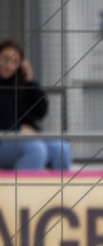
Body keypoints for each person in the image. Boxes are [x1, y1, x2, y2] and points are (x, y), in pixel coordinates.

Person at [0, 38, 71, 171]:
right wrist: (19, 128)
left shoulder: (22, 85)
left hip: (26, 138)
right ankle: (22, 191)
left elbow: (41, 111)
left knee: (62, 148)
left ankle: (61, 191)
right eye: (5, 58)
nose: (9, 65)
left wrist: (31, 82)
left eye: (14, 62)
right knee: (35, 149)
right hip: (4, 139)